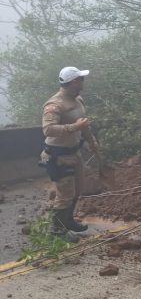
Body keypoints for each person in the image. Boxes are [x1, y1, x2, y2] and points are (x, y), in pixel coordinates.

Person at [40, 66, 100, 238]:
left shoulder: (78, 99)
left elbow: (84, 124)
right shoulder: (55, 104)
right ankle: (57, 231)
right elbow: (48, 130)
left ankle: (68, 221)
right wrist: (75, 127)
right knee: (65, 194)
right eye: (81, 79)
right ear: (74, 82)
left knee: (78, 189)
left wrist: (92, 142)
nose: (83, 81)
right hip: (58, 155)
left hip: (74, 153)